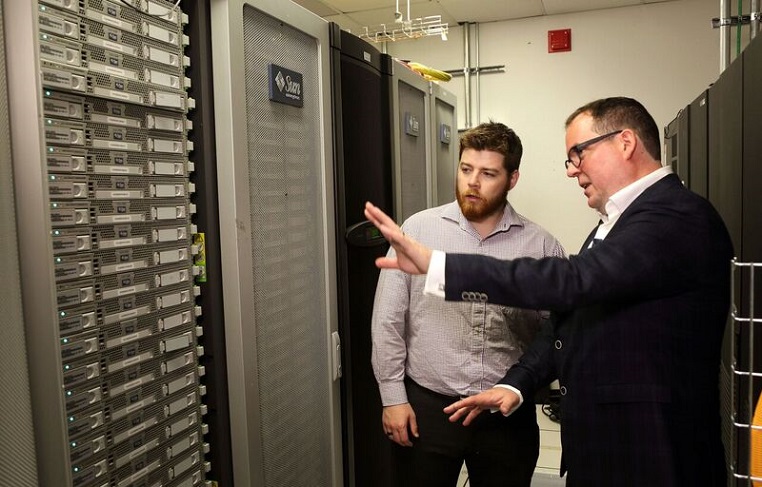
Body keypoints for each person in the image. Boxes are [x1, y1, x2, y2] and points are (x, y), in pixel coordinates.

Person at [364, 97, 734, 486]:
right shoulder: (617, 223)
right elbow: (566, 325)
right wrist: (516, 384)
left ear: (625, 143)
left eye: (579, 154)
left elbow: (573, 282)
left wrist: (440, 266)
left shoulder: (673, 217)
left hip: (650, 448)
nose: (573, 170)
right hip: (601, 442)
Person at [372, 121, 565, 487]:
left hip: (504, 413)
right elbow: (388, 321)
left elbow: (555, 332)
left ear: (512, 178)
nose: (472, 182)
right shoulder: (418, 231)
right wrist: (392, 397)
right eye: (466, 170)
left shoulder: (540, 247)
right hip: (428, 408)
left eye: (488, 173)